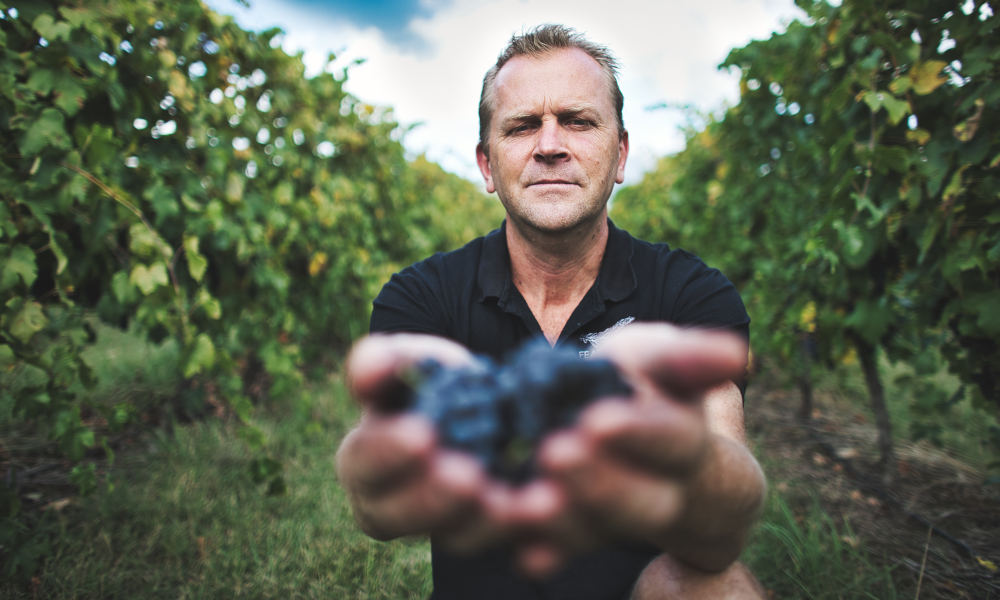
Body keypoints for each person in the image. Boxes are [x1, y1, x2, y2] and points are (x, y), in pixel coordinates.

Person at [336, 24, 767, 599]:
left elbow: (723, 535)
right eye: (521, 127)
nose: (549, 145)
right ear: (488, 167)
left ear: (620, 154)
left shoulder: (689, 296)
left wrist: (692, 466)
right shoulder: (423, 299)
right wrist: (379, 476)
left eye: (578, 120)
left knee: (722, 587)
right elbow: (377, 510)